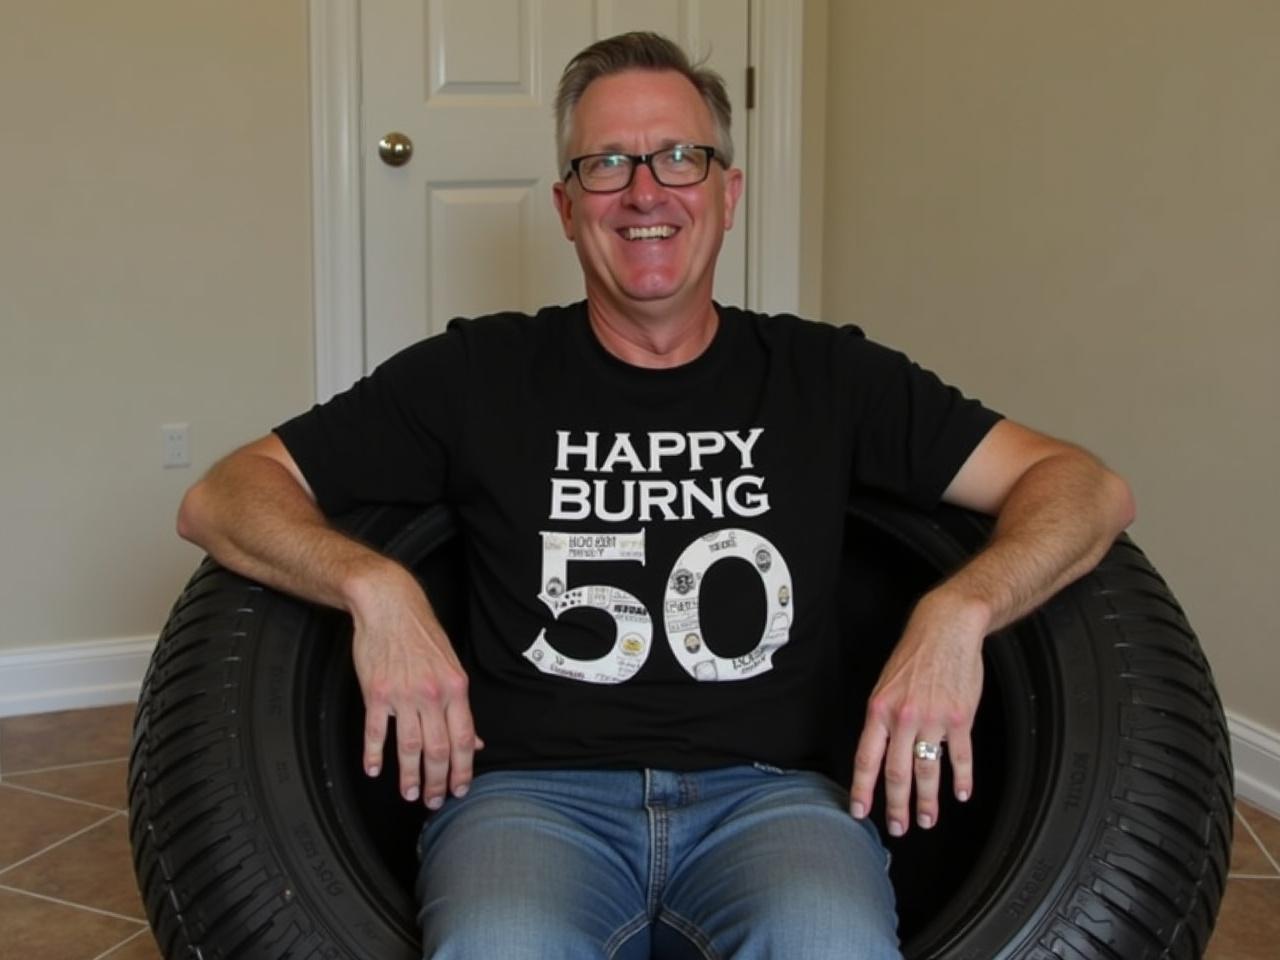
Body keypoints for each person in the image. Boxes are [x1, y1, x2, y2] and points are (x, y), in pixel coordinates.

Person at [177, 31, 1135, 960]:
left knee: (831, 944)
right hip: (531, 802)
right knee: (498, 948)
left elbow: (1083, 485)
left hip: (772, 802)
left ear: (729, 193)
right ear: (564, 205)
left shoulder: (828, 375)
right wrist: (372, 588)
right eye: (607, 164)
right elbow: (224, 495)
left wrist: (961, 608)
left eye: (681, 158)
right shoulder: (477, 371)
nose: (645, 192)